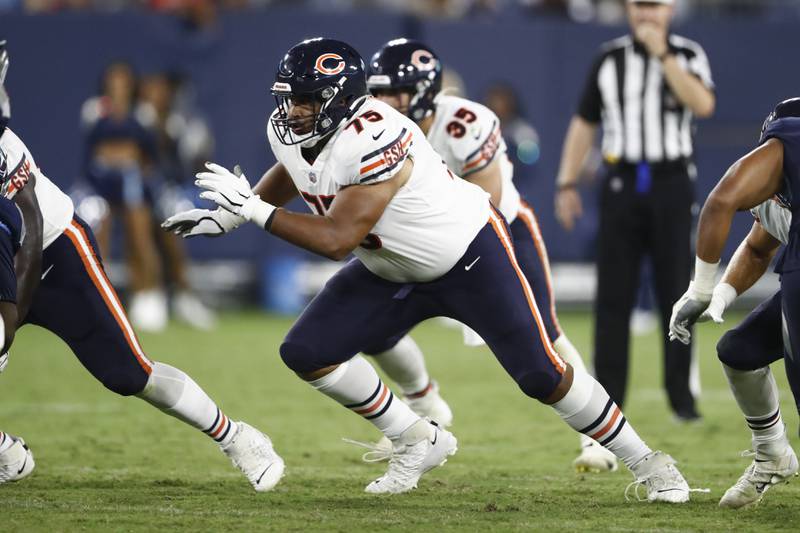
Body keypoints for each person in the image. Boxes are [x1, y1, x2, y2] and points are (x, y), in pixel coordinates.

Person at [165, 37, 694, 501]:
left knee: (542, 374)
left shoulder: (377, 135)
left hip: (468, 256)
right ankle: (417, 438)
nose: (293, 111)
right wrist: (235, 216)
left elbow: (336, 239)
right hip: (391, 265)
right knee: (306, 351)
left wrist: (254, 213)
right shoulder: (294, 128)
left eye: (306, 100)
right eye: (289, 98)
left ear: (342, 100)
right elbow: (294, 167)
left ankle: (648, 461)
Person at [0, 40, 283, 491]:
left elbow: (29, 233)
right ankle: (6, 452)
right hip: (25, 239)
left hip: (50, 254)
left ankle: (237, 438)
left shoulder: (6, 146)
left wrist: (8, 324)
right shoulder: (97, 112)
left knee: (129, 373)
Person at [362, 38, 615, 472]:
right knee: (368, 325)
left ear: (423, 93)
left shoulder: (464, 122)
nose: (381, 102)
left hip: (496, 231)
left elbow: (489, 201)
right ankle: (424, 406)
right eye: (377, 91)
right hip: (415, 241)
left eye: (392, 93)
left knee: (546, 339)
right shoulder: (369, 127)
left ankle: (599, 439)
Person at [554, 0, 715, 420]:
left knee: (676, 294)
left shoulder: (688, 54)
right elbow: (584, 121)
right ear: (628, 10)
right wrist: (566, 181)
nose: (646, 15)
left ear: (670, 9)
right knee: (613, 297)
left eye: (654, 6)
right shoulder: (609, 58)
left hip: (671, 183)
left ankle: (682, 397)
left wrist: (663, 55)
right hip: (622, 181)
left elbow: (702, 104)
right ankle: (610, 403)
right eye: (639, 6)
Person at [669, 98, 800, 508]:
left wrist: (700, 288)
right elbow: (760, 249)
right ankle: (772, 454)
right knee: (739, 350)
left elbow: (721, 199)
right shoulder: (781, 192)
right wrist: (722, 295)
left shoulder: (789, 139)